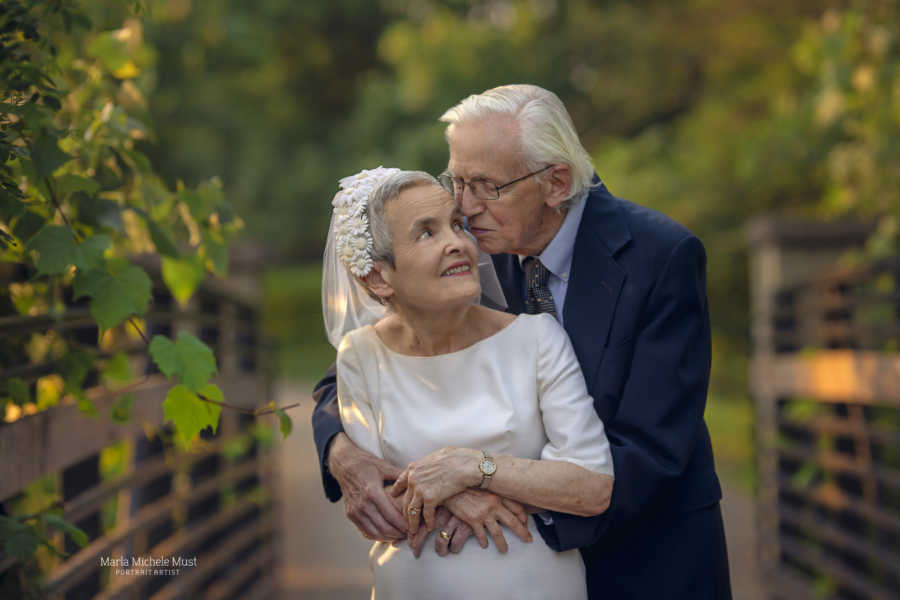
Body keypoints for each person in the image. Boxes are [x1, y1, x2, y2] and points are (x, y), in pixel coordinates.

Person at [314, 84, 732, 599]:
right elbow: (368, 363)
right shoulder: (470, 244)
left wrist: (485, 487)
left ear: (556, 182)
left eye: (484, 186)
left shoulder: (661, 258)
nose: (462, 208)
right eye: (456, 180)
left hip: (647, 559)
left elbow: (650, 449)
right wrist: (343, 452)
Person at [322, 166, 614, 599]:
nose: (459, 243)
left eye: (457, 225)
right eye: (426, 234)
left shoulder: (536, 339)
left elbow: (591, 487)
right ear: (379, 278)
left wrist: (474, 470)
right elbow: (377, 505)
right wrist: (455, 492)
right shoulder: (359, 356)